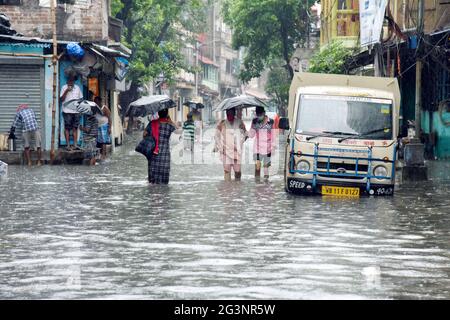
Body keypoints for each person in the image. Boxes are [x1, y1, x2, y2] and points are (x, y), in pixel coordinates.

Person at [214, 107, 247, 181]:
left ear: (234, 113)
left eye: (231, 113)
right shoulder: (222, 123)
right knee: (227, 171)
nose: (230, 115)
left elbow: (246, 134)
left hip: (236, 150)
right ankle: (227, 188)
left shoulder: (239, 122)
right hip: (225, 150)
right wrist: (219, 146)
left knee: (237, 172)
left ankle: (237, 187)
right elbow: (216, 136)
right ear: (226, 114)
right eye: (228, 114)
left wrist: (241, 141)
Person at [146, 108, 178, 184]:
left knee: (152, 181)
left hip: (153, 154)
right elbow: (177, 131)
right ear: (166, 114)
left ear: (158, 114)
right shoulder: (169, 125)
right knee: (164, 180)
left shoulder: (152, 124)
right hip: (165, 155)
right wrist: (170, 120)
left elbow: (144, 134)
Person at [249, 106, 275, 181]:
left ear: (264, 113)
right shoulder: (254, 121)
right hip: (257, 147)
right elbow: (251, 135)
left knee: (266, 168)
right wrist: (246, 131)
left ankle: (266, 184)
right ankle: (257, 182)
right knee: (257, 166)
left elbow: (273, 135)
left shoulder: (271, 122)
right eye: (257, 114)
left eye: (260, 114)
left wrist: (273, 147)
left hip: (268, 148)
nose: (259, 116)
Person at [60, 76, 83, 150]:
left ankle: (75, 145)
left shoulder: (77, 88)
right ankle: (68, 145)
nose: (71, 82)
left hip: (76, 111)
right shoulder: (64, 87)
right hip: (67, 111)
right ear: (67, 81)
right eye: (70, 81)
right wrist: (66, 91)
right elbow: (61, 99)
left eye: (72, 81)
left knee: (75, 128)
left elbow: (81, 99)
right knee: (67, 128)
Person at [93, 97, 111, 161]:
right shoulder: (95, 108)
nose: (95, 102)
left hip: (104, 126)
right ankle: (100, 154)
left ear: (99, 101)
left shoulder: (104, 108)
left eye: (96, 101)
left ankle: (103, 155)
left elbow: (109, 118)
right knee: (99, 141)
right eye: (94, 101)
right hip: (99, 126)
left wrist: (109, 128)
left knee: (104, 141)